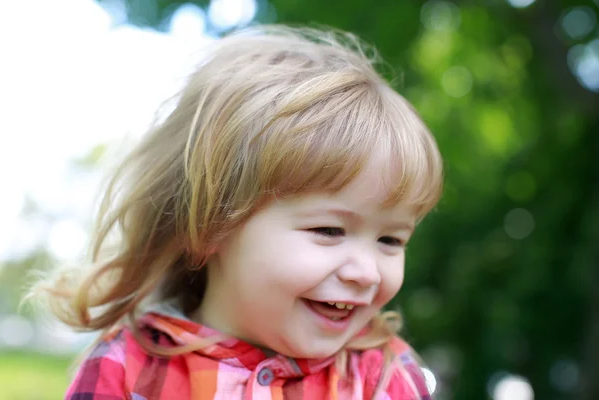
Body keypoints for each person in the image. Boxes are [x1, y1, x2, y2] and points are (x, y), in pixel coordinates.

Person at [30, 24, 443, 399]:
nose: (367, 272)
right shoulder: (128, 369)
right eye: (330, 230)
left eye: (391, 239)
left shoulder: (385, 378)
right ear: (209, 226)